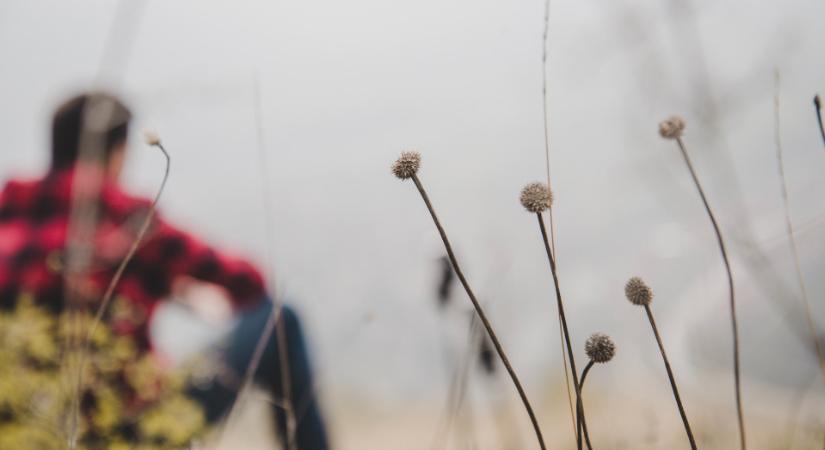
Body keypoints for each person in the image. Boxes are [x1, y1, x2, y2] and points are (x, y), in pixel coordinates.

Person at [0, 91, 329, 449]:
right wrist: (176, 285)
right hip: (133, 431)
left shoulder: (10, 212)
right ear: (119, 150)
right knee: (279, 320)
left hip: (29, 426)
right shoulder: (128, 218)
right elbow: (249, 281)